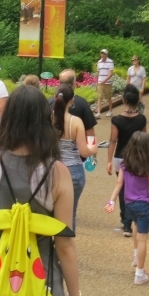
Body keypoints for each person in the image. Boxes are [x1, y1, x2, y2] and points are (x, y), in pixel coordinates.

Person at [0, 85, 81, 296]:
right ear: (45, 122)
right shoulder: (57, 172)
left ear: (8, 118)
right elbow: (64, 245)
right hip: (41, 284)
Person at [106, 131, 149, 285]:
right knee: (143, 237)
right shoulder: (147, 167)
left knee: (135, 225)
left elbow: (119, 184)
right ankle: (140, 273)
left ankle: (136, 256)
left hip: (129, 204)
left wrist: (112, 201)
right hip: (143, 204)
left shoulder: (124, 164)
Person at [53, 83, 98, 231]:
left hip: (52, 169)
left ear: (55, 98)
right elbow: (83, 152)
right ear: (72, 100)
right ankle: (65, 249)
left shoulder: (48, 118)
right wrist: (93, 148)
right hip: (73, 171)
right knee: (69, 215)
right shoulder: (76, 122)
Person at [107, 84, 147, 237]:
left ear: (124, 100)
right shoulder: (141, 119)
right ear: (137, 101)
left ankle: (126, 223)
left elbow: (112, 141)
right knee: (135, 189)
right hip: (137, 157)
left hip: (120, 158)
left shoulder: (116, 120)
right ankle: (135, 218)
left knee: (123, 188)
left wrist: (109, 161)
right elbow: (145, 140)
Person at [58, 68, 97, 139]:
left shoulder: (48, 102)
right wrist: (92, 147)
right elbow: (89, 131)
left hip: (53, 147)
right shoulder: (82, 103)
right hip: (77, 146)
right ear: (74, 84)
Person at [96, 49, 115, 116]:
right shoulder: (99, 62)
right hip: (100, 82)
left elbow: (111, 73)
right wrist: (98, 81)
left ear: (107, 55)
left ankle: (110, 111)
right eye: (102, 53)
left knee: (108, 97)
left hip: (108, 83)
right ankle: (98, 112)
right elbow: (98, 72)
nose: (103, 55)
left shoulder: (110, 62)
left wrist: (105, 80)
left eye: (104, 54)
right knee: (99, 97)